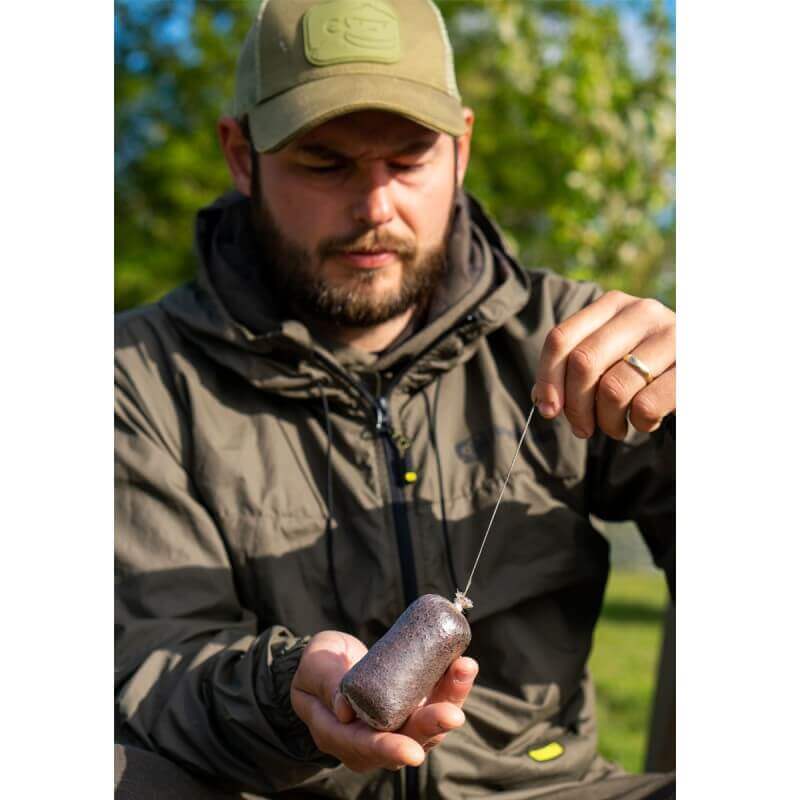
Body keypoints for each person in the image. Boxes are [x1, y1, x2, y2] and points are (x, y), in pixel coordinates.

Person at [114, 1, 676, 798]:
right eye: (325, 163)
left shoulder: (575, 339)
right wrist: (284, 695)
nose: (376, 207)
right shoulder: (133, 379)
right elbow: (143, 657)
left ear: (462, 149)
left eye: (410, 160)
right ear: (241, 156)